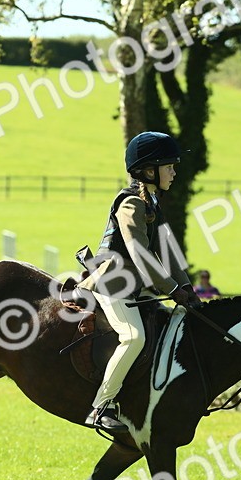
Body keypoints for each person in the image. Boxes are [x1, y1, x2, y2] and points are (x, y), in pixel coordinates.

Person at [77, 130, 199, 432]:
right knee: (134, 337)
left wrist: (187, 290)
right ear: (148, 170)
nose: (174, 171)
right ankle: (101, 406)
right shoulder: (131, 203)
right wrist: (171, 290)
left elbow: (169, 253)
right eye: (168, 166)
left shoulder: (153, 204)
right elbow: (140, 253)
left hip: (134, 287)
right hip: (112, 283)